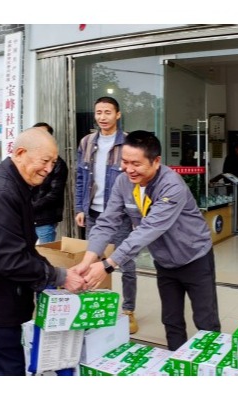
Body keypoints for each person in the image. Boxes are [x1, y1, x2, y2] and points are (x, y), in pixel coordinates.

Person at [71, 130, 221, 351]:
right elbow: (107, 222)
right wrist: (87, 260)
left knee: (205, 320)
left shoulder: (172, 185)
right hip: (164, 261)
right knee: (171, 320)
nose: (128, 169)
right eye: (125, 161)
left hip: (195, 258)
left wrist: (108, 265)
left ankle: (211, 364)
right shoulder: (123, 182)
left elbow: (149, 229)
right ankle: (177, 363)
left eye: (136, 164)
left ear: (156, 161)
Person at [0, 128, 84, 376]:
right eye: (45, 161)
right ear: (21, 153)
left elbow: (23, 247)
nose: (49, 169)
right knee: (5, 371)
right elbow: (11, 259)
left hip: (0, 300)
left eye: (53, 163)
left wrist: (56, 273)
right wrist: (60, 276)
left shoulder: (14, 185)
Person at [75, 96, 139, 334]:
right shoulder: (87, 142)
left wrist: (136, 217)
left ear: (118, 115)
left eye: (108, 112)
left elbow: (137, 181)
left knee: (126, 263)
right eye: (99, 112)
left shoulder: (128, 142)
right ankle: (98, 307)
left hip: (121, 214)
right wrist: (80, 208)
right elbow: (80, 177)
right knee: (94, 261)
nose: (102, 117)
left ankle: (128, 310)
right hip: (93, 212)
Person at [31, 122, 68, 244]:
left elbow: (54, 194)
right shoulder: (30, 160)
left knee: (45, 253)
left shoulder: (58, 164)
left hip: (45, 219)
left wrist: (31, 207)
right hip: (27, 217)